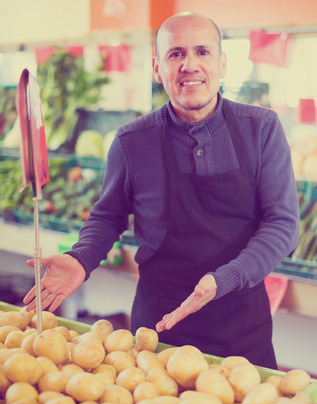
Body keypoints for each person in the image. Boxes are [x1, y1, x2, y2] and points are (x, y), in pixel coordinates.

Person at [23, 11, 300, 370]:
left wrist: (225, 278)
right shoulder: (131, 140)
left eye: (203, 52)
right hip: (158, 327)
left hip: (240, 322)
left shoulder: (261, 129)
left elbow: (283, 224)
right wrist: (82, 257)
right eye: (176, 54)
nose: (190, 64)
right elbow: (107, 217)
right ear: (158, 69)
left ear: (222, 63)